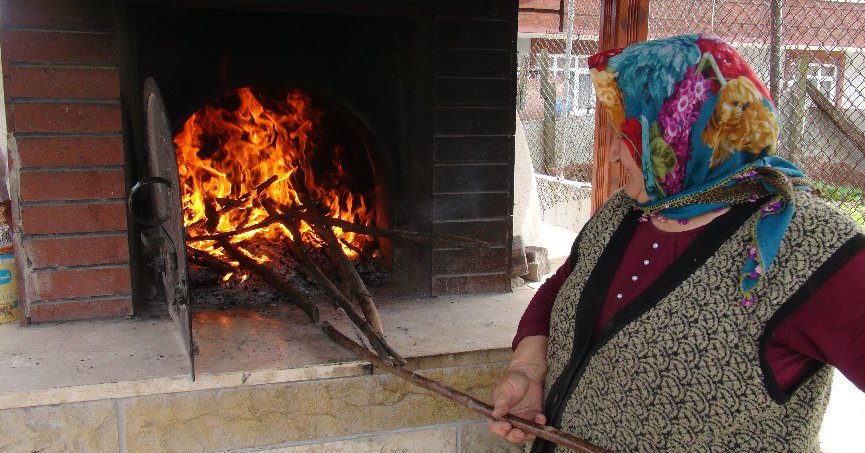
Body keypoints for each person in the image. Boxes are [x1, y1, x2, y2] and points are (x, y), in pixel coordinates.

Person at [488, 33, 865, 452]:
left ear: (680, 132)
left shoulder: (808, 245)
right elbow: (562, 290)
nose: (612, 155)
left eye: (625, 137)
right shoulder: (631, 210)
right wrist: (529, 368)